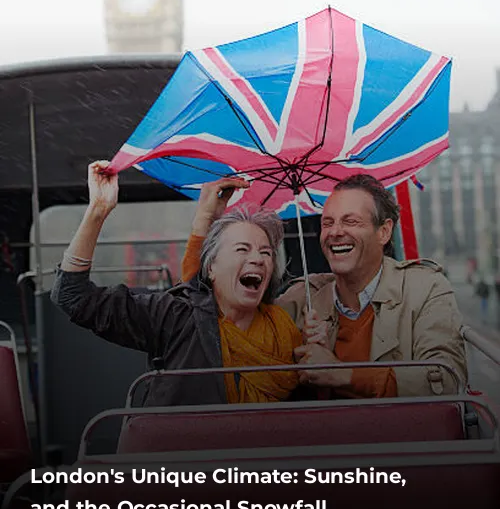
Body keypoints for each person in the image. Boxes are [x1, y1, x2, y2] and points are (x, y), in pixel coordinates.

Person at [181, 174, 468, 399]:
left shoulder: (426, 289)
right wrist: (204, 224)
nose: (335, 232)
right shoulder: (300, 298)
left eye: (350, 221)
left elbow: (446, 378)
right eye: (327, 222)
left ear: (384, 231)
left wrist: (341, 374)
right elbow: (215, 324)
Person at [50, 161, 312, 407]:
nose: (257, 259)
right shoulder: (174, 315)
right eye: (243, 249)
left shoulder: (286, 326)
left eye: (266, 253)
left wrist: (317, 351)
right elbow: (73, 297)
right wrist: (97, 211)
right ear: (211, 268)